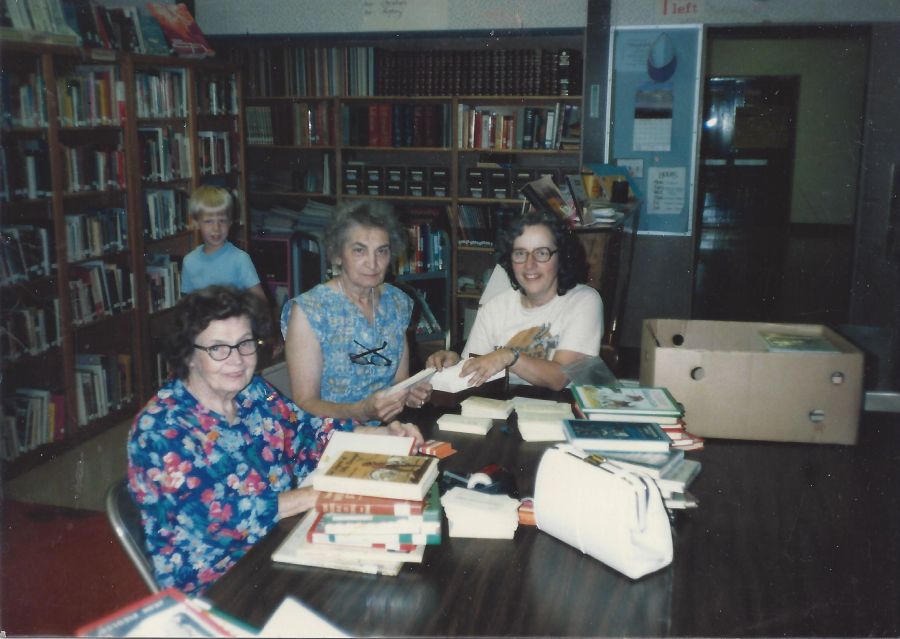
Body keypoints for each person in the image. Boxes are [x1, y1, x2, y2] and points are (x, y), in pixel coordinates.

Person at [127, 286, 422, 594]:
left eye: (245, 344)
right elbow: (218, 520)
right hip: (219, 582)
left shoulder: (253, 391)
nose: (237, 360)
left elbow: (305, 431)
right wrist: (319, 496)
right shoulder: (159, 430)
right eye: (218, 348)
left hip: (281, 543)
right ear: (188, 355)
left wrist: (377, 435)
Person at [281, 201, 432, 423]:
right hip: (329, 435)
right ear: (337, 255)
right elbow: (305, 403)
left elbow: (399, 382)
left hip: (386, 430)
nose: (373, 263)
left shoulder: (397, 303)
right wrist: (361, 412)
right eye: (359, 250)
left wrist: (410, 394)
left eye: (382, 251)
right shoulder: (310, 311)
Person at [427, 209, 603, 391]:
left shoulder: (583, 301)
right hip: (505, 402)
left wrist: (510, 356)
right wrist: (455, 363)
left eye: (542, 253)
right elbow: (475, 367)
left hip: (565, 403)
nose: (529, 264)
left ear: (561, 257)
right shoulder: (494, 307)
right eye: (520, 253)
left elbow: (559, 378)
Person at [180, 185, 267, 303]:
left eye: (222, 221)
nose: (216, 228)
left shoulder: (240, 259)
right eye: (208, 221)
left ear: (230, 222)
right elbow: (187, 304)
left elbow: (260, 303)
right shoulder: (189, 261)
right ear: (196, 223)